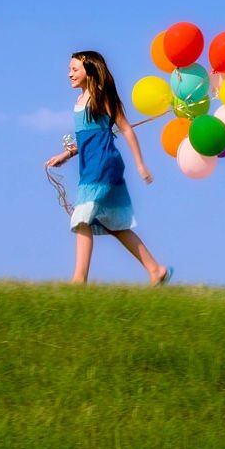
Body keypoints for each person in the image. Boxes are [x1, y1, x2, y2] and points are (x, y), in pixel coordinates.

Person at [46, 51, 173, 285]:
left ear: (90, 70)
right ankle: (155, 269)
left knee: (82, 218)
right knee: (114, 224)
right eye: (70, 69)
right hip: (90, 168)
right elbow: (86, 138)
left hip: (104, 165)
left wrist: (140, 164)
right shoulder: (78, 102)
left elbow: (125, 129)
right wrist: (65, 155)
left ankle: (79, 279)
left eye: (74, 69)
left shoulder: (101, 98)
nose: (69, 74)